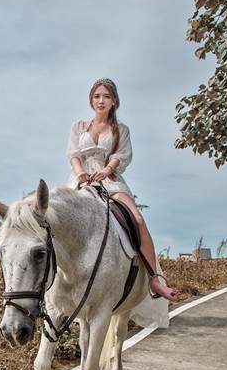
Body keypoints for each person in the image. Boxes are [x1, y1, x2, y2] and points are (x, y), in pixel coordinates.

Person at [66, 78, 178, 302]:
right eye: (97, 96)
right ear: (91, 99)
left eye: (106, 96)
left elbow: (122, 156)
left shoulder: (121, 129)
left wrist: (106, 170)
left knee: (136, 218)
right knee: (56, 217)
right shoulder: (78, 126)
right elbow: (74, 154)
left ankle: (154, 280)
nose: (101, 100)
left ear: (114, 101)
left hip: (111, 181)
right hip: (81, 180)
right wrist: (80, 173)